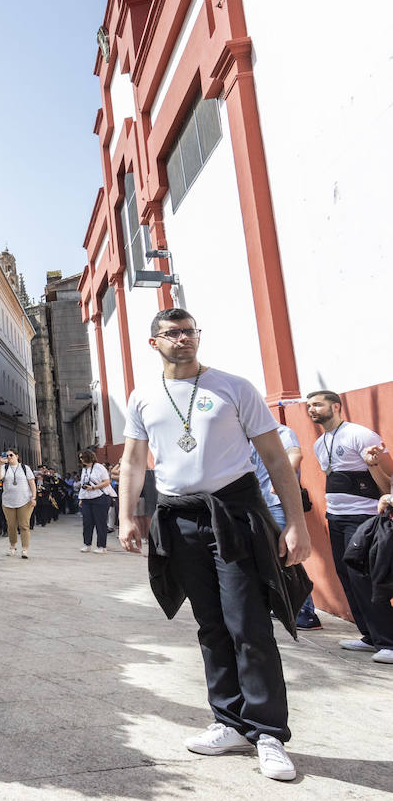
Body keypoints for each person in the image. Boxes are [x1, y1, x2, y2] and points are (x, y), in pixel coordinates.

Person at [117, 308, 311, 782]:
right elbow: (133, 462)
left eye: (189, 331)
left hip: (235, 513)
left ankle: (267, 732)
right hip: (179, 517)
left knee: (248, 623)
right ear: (154, 343)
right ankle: (229, 720)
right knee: (210, 624)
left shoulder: (234, 386)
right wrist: (126, 516)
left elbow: (273, 457)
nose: (183, 339)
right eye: (172, 333)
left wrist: (296, 524)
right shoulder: (143, 397)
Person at [306, 390, 393, 662]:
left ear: (336, 406)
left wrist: (374, 466)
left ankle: (388, 642)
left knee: (364, 577)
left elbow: (387, 478)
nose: (312, 409)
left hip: (364, 518)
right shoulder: (320, 443)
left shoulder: (360, 434)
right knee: (346, 576)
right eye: (308, 406)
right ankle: (369, 636)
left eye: (317, 404)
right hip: (336, 517)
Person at [248, 423, 319, 630]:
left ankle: (305, 611)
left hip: (278, 502)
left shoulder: (280, 431)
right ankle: (286, 606)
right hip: (258, 503)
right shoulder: (246, 435)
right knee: (270, 555)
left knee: (288, 554)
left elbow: (294, 454)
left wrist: (279, 482)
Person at [0, 448, 37, 559]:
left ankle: (25, 549)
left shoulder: (25, 468)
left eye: (11, 455)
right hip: (8, 501)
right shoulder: (5, 467)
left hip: (24, 500)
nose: (9, 457)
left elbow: (32, 483)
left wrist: (33, 497)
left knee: (24, 525)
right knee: (11, 525)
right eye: (7, 455)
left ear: (17, 456)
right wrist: (0, 465)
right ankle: (13, 546)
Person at [77, 450, 114, 553]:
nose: (81, 460)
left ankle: (102, 546)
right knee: (87, 522)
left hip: (100, 497)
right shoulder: (84, 469)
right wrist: (81, 498)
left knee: (100, 522)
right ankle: (87, 544)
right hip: (86, 498)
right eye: (80, 458)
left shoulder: (99, 467)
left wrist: (93, 488)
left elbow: (107, 482)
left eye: (82, 457)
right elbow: (83, 484)